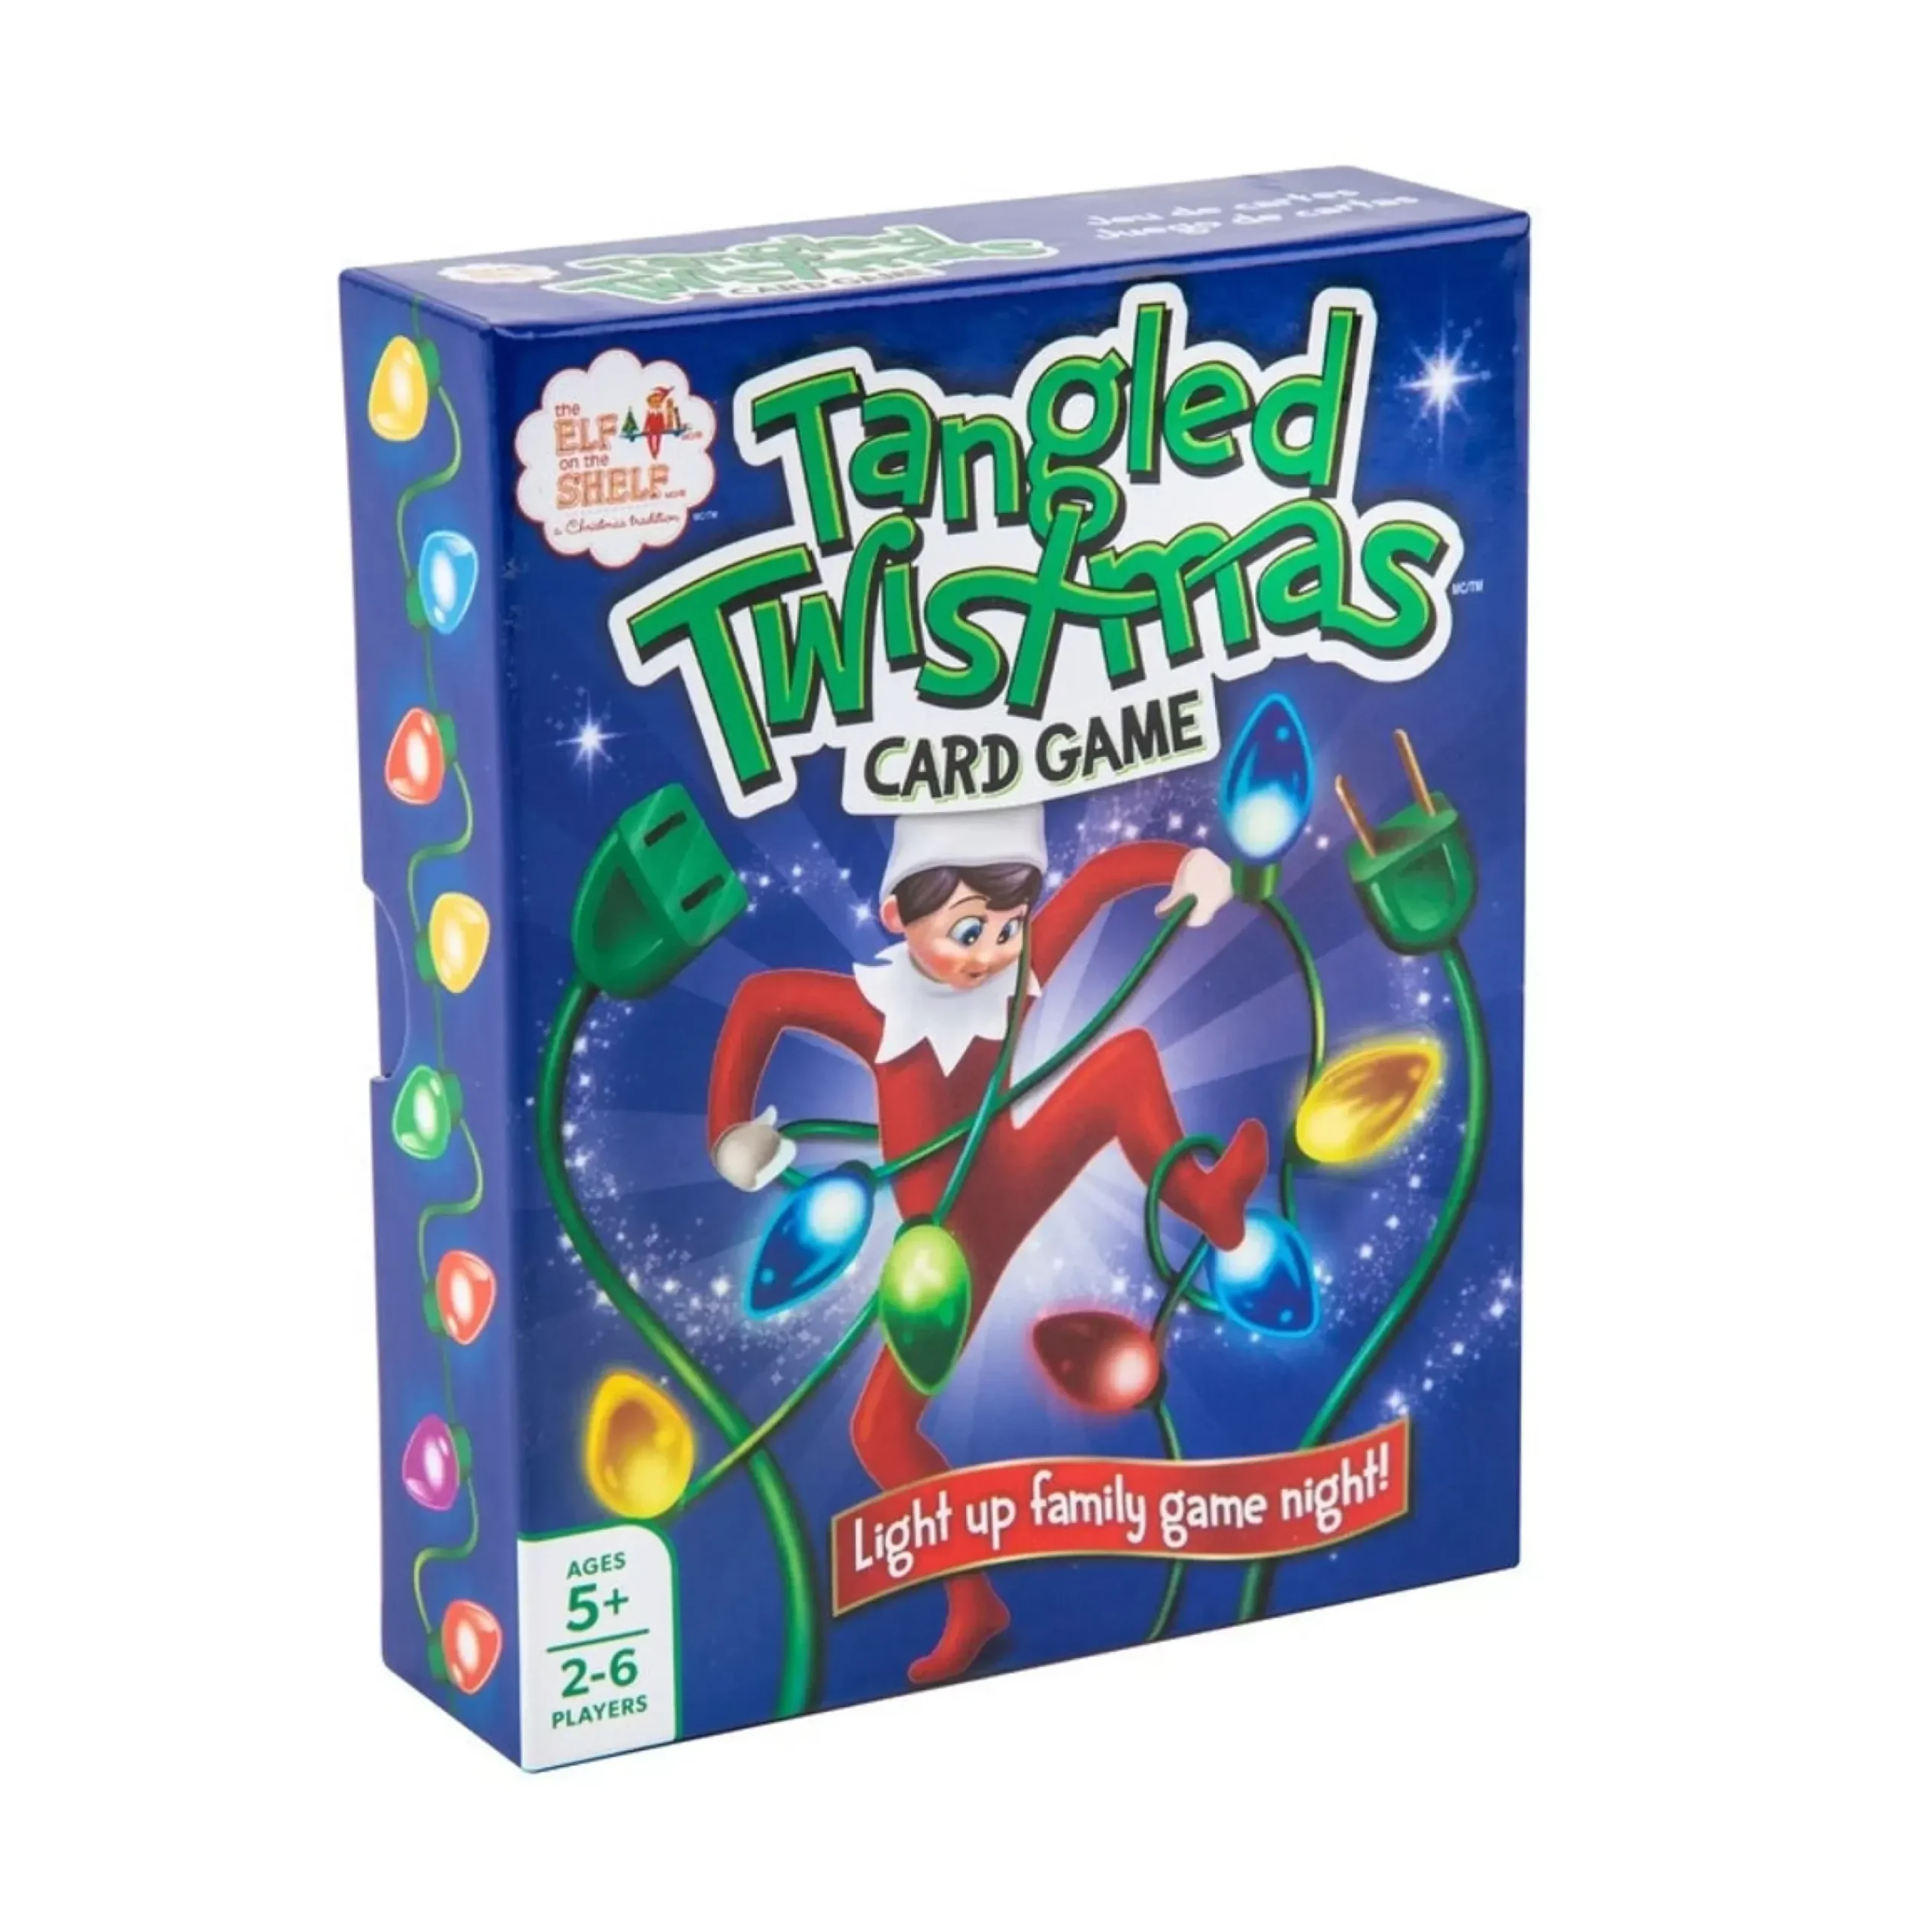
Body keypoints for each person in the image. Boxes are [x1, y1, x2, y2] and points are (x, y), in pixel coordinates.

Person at [708, 804, 1266, 1683]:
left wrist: (1186, 865)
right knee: (879, 1429)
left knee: (1123, 1063)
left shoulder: (1018, 970)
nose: (991, 953)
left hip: (1016, 1174)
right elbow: (760, 1000)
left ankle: (1210, 1203)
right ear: (896, 914)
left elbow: (1099, 880)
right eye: (968, 931)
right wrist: (730, 1130)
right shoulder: (873, 1009)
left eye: (1008, 929)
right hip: (950, 1254)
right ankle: (974, 1600)